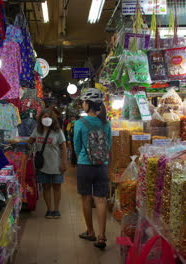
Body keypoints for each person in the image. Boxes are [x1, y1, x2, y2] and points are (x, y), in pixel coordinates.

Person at [74, 88, 112, 249]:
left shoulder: (79, 123)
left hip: (85, 165)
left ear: (88, 104)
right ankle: (102, 236)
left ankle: (90, 232)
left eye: (83, 102)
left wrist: (82, 157)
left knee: (86, 199)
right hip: (102, 166)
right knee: (101, 200)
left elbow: (76, 145)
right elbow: (108, 145)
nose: (82, 104)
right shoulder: (106, 123)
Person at [28, 108, 67, 219]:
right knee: (46, 187)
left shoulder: (58, 131)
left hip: (56, 164)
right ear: (40, 118)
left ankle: (56, 209)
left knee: (56, 187)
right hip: (42, 165)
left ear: (52, 119)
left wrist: (64, 162)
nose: (46, 119)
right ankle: (49, 210)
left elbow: (63, 147)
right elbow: (30, 141)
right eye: (44, 116)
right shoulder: (37, 130)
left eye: (48, 117)